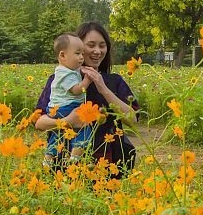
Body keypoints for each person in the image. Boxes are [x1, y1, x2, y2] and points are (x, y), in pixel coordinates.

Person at [33, 22, 140, 176]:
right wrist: (67, 122)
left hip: (106, 166)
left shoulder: (114, 81)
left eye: (102, 45)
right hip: (64, 165)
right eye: (91, 45)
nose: (97, 51)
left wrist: (102, 88)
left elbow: (133, 120)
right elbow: (38, 122)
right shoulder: (60, 80)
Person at [41, 33, 94, 169]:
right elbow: (76, 90)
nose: (82, 57)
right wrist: (87, 80)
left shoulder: (66, 70)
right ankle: (75, 158)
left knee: (57, 134)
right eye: (77, 53)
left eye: (82, 53)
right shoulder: (66, 74)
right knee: (83, 127)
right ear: (62, 55)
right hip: (67, 107)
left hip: (56, 109)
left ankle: (48, 159)